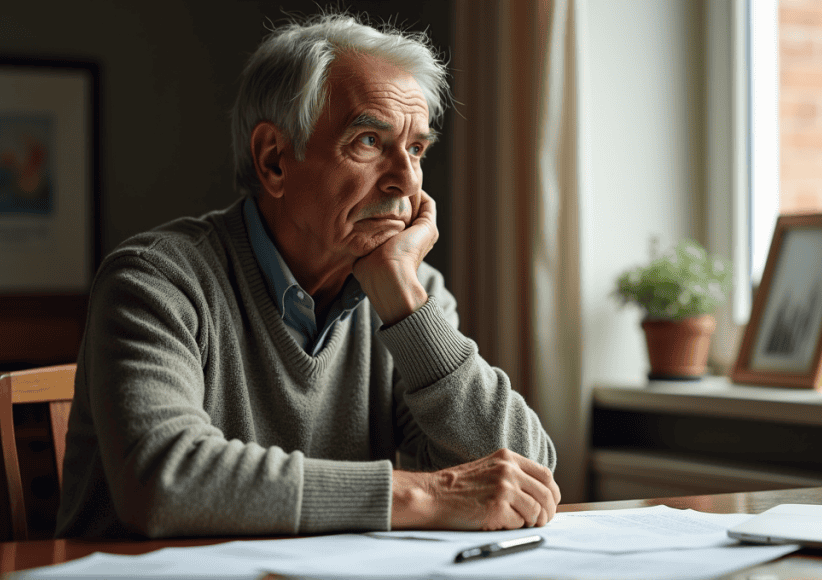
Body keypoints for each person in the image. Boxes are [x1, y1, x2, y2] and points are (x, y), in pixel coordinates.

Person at [55, 12, 559, 539]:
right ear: (274, 160)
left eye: (416, 149)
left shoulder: (408, 290)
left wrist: (408, 306)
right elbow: (163, 480)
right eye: (369, 141)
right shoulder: (156, 280)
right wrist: (426, 494)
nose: (407, 180)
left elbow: (526, 476)